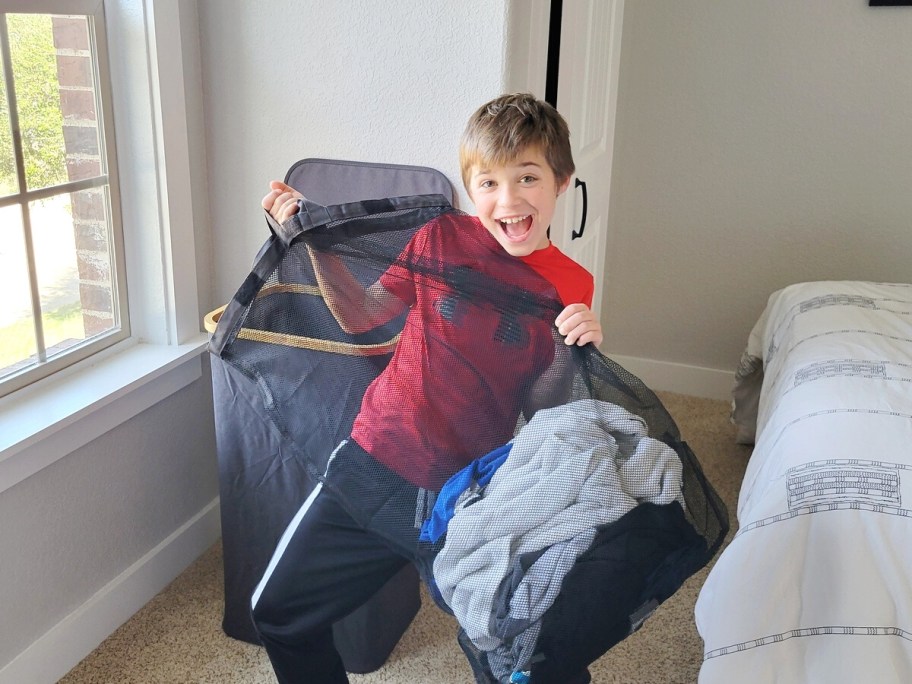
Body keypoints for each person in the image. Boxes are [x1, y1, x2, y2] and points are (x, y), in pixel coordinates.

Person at [251, 93, 602, 684]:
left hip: (463, 492)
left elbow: (543, 406)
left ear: (562, 182)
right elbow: (364, 316)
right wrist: (313, 240)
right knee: (279, 612)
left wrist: (578, 346)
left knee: (525, 654)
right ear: (470, 189)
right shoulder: (439, 237)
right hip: (375, 458)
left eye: (528, 178)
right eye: (488, 182)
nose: (508, 200)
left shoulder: (570, 283)